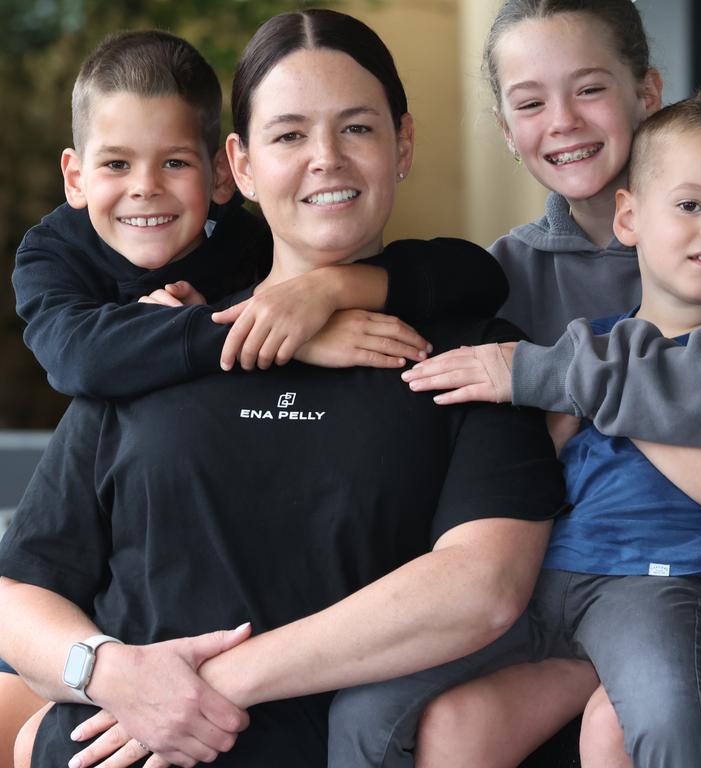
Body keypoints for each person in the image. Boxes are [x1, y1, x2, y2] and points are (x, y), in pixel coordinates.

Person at [0, 9, 566, 768]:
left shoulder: (475, 354)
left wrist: (208, 688)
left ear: (402, 144)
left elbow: (483, 586)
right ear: (241, 164)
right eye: (290, 134)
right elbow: (18, 596)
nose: (325, 159)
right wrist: (109, 670)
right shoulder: (153, 342)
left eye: (357, 129)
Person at [382, 0, 701, 765]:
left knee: (626, 717)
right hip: (583, 584)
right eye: (531, 102)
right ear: (508, 133)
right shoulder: (513, 271)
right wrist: (314, 296)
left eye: (590, 88)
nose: (564, 121)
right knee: (443, 724)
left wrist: (560, 375)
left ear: (647, 94)